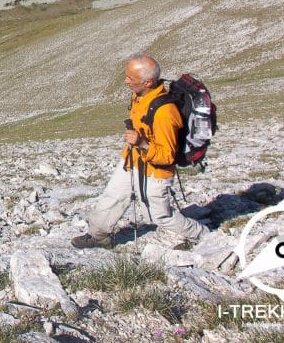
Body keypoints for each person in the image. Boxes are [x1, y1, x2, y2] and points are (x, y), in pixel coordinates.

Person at [71, 54, 208, 249]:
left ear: (148, 82)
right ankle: (98, 235)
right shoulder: (141, 95)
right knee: (111, 197)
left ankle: (201, 235)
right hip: (132, 160)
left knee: (158, 215)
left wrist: (142, 143)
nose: (126, 81)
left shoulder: (165, 113)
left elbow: (167, 157)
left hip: (154, 171)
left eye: (130, 78)